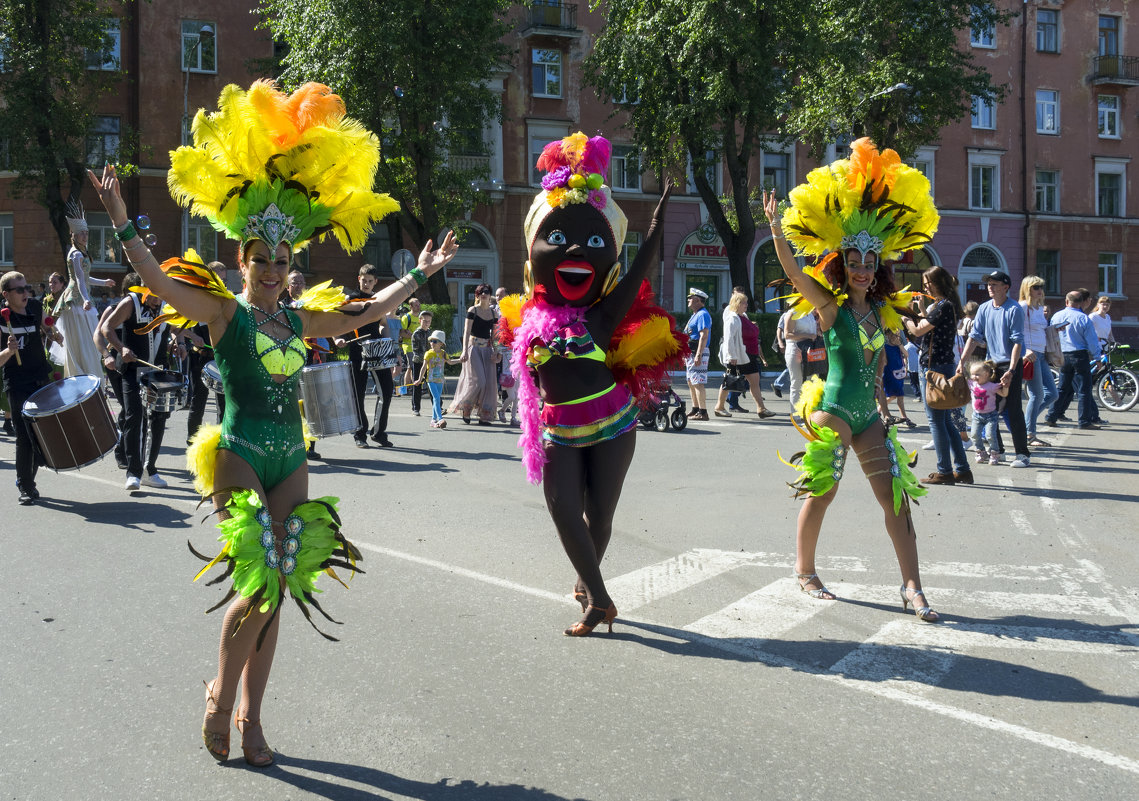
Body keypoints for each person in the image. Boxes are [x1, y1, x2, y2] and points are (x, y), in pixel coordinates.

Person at [89, 80, 458, 768]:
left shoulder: (296, 316)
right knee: (257, 581)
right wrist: (117, 211)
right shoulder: (224, 313)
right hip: (239, 453)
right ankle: (219, 695)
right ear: (243, 260)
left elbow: (365, 312)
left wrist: (422, 274)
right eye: (262, 260)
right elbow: (156, 283)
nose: (272, 271)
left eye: (282, 262)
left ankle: (255, 717)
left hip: (292, 455)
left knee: (283, 583)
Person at [497, 132, 681, 636]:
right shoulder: (523, 319)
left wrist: (659, 226)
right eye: (558, 240)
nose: (574, 248)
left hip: (613, 424)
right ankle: (600, 598)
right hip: (557, 430)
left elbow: (640, 267)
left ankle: (591, 590)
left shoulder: (601, 316)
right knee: (562, 509)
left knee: (599, 516)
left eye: (591, 242)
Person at [766, 137, 939, 622]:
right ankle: (805, 571)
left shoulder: (882, 311)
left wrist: (884, 407)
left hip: (868, 417)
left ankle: (912, 587)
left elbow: (879, 367)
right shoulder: (830, 309)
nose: (862, 269)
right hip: (835, 411)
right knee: (823, 492)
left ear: (878, 267)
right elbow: (795, 274)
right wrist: (777, 232)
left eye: (870, 263)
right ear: (843, 265)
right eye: (855, 262)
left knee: (896, 500)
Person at [100, 277, 183, 490]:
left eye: (161, 296)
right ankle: (133, 473)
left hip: (157, 370)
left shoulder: (167, 303)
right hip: (132, 370)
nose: (158, 303)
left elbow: (173, 329)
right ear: (145, 289)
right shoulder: (131, 302)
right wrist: (120, 348)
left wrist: (178, 343)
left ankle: (150, 470)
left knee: (158, 417)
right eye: (154, 297)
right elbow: (107, 328)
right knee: (134, 415)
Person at [904, 266, 971, 485]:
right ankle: (962, 469)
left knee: (936, 421)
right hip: (944, 365)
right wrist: (921, 312)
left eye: (927, 284)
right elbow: (928, 326)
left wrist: (906, 316)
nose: (925, 288)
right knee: (947, 422)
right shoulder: (947, 306)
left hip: (933, 368)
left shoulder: (943, 306)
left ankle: (944, 470)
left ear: (938, 283)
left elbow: (917, 331)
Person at [958, 270, 1031, 469]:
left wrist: (1012, 370)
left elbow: (1017, 342)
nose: (990, 287)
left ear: (1005, 287)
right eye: (989, 283)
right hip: (991, 364)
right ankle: (998, 451)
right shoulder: (983, 308)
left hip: (1009, 363)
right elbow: (974, 337)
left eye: (994, 284)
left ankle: (1023, 454)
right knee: (987, 408)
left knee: (1012, 408)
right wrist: (962, 362)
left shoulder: (1014, 309)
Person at [1, 270, 62, 505]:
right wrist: (8, 351)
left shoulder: (35, 307)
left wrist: (52, 332)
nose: (26, 293)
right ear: (6, 295)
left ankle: (26, 479)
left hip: (40, 378)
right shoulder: (1, 319)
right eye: (20, 290)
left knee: (41, 434)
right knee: (25, 437)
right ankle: (26, 485)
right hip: (17, 383)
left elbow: (46, 323)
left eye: (27, 288)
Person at [53, 204, 118, 377]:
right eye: (81, 233)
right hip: (75, 303)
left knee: (90, 341)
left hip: (82, 300)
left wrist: (104, 282)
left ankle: (90, 373)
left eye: (87, 232)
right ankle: (82, 375)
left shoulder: (82, 252)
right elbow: (79, 279)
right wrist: (86, 298)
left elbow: (86, 277)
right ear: (73, 235)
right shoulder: (76, 254)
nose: (85, 236)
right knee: (82, 342)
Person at [334, 264, 384, 448]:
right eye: (364, 280)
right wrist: (337, 338)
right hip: (357, 349)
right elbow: (336, 321)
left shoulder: (378, 299)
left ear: (375, 282)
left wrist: (386, 338)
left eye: (370, 281)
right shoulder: (350, 299)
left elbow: (383, 323)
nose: (367, 284)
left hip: (377, 349)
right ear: (359, 279)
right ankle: (359, 434)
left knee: (385, 391)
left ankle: (379, 433)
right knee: (358, 393)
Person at [713, 290, 776, 418]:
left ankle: (761, 409)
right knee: (729, 382)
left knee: (755, 382)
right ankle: (719, 407)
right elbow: (729, 338)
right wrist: (731, 356)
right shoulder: (732, 318)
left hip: (749, 356)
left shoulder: (743, 316)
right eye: (743, 302)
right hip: (738, 357)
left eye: (746, 302)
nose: (746, 305)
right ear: (736, 303)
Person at [1045, 289, 1103, 430]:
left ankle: (1051, 416)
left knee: (1063, 388)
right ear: (1081, 303)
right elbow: (1092, 341)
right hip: (1079, 355)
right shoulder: (1083, 318)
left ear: (1066, 301)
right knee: (1084, 390)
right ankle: (1084, 421)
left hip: (1062, 355)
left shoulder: (1056, 316)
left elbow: (1051, 335)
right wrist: (1097, 358)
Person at [448, 283, 499, 425]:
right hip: (474, 348)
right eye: (481, 291)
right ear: (477, 295)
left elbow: (495, 336)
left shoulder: (494, 313)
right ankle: (466, 408)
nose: (484, 293)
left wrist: (497, 351)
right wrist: (464, 350)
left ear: (490, 295)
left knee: (489, 383)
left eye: (486, 291)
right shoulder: (473, 310)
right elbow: (466, 331)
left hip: (488, 349)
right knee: (479, 381)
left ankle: (484, 415)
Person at [1018, 276, 1059, 446]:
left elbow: (1039, 329)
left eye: (1041, 286)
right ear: (1027, 288)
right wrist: (1024, 350)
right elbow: (1015, 332)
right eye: (1036, 287)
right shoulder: (1022, 307)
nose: (1040, 290)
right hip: (1031, 354)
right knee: (1037, 394)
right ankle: (1029, 434)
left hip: (1041, 354)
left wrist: (1054, 328)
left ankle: (1026, 424)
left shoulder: (1039, 307)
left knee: (1052, 394)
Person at [416, 330, 460, 428]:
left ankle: (433, 420)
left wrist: (460, 360)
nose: (432, 343)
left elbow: (450, 362)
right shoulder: (428, 354)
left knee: (436, 399)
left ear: (441, 344)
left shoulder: (443, 353)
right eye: (431, 341)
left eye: (435, 341)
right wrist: (419, 379)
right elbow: (423, 367)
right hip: (430, 380)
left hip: (440, 380)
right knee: (436, 398)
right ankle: (440, 419)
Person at [967, 360, 1008, 463]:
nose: (974, 377)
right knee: (974, 435)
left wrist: (1006, 386)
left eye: (977, 374)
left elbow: (1003, 394)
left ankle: (995, 453)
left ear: (986, 374)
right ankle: (981, 452)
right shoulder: (972, 383)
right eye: (972, 374)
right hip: (977, 415)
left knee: (990, 435)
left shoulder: (992, 386)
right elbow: (962, 378)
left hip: (991, 415)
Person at [683, 288, 712, 420]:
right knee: (691, 381)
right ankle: (695, 408)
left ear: (697, 300)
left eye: (690, 298)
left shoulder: (702, 314)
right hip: (691, 352)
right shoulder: (695, 314)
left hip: (697, 351)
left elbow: (703, 336)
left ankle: (703, 412)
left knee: (698, 382)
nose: (688, 300)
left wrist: (699, 354)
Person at [782, 303, 818, 407]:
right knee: (797, 383)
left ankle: (809, 412)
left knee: (811, 381)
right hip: (795, 350)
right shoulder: (792, 313)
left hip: (809, 351)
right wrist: (809, 335)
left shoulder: (809, 313)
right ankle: (796, 415)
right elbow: (787, 334)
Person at [882, 330, 915, 427]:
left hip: (899, 374)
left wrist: (900, 344)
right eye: (892, 334)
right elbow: (884, 362)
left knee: (895, 396)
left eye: (897, 335)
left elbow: (906, 354)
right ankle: (905, 418)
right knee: (897, 396)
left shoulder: (898, 346)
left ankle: (880, 410)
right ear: (887, 335)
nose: (895, 337)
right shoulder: (885, 347)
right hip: (890, 375)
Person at [408, 308, 432, 417]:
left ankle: (438, 406)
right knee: (417, 385)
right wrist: (427, 358)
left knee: (432, 384)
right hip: (418, 362)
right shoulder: (416, 333)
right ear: (420, 321)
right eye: (424, 321)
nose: (427, 323)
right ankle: (415, 408)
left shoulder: (431, 333)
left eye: (429, 321)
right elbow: (417, 351)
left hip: (430, 363)